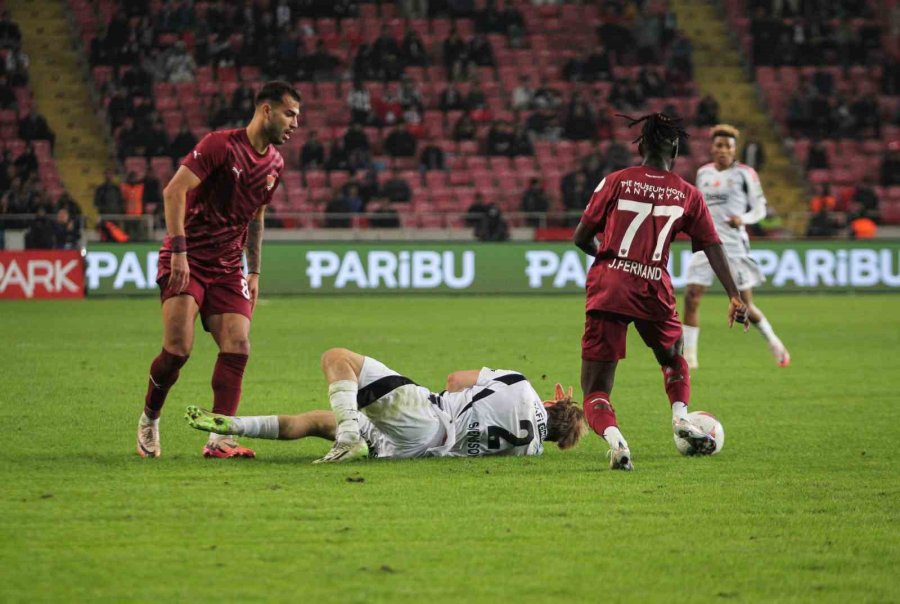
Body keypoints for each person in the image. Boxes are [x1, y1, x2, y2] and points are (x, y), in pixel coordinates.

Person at [573, 113, 749, 471]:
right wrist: (734, 294)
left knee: (597, 388)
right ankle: (680, 417)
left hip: (608, 286)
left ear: (641, 146)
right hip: (653, 286)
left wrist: (611, 258)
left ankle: (616, 441)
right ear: (675, 146)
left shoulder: (616, 181)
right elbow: (712, 244)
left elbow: (580, 237)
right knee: (672, 356)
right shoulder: (687, 193)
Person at [136, 81, 300, 459]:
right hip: (188, 257)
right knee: (177, 351)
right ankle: (149, 417)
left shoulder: (275, 163)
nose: (294, 123)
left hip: (228, 267)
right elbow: (173, 192)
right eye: (289, 113)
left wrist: (254, 271)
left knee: (238, 345)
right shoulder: (219, 145)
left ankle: (219, 439)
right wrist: (179, 251)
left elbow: (256, 217)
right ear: (266, 110)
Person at [184, 347, 587, 462]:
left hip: (428, 417)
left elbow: (452, 381)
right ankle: (232, 426)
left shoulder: (521, 383)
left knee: (336, 359)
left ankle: (348, 437)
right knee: (319, 421)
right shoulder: (531, 449)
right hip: (413, 453)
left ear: (554, 401)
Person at [682, 124, 789, 370]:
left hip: (734, 246)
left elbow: (760, 208)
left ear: (734, 149)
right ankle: (690, 358)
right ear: (712, 148)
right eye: (718, 145)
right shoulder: (703, 173)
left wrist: (745, 219)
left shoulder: (745, 174)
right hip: (705, 244)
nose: (722, 150)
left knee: (744, 305)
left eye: (727, 146)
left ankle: (773, 341)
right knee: (691, 297)